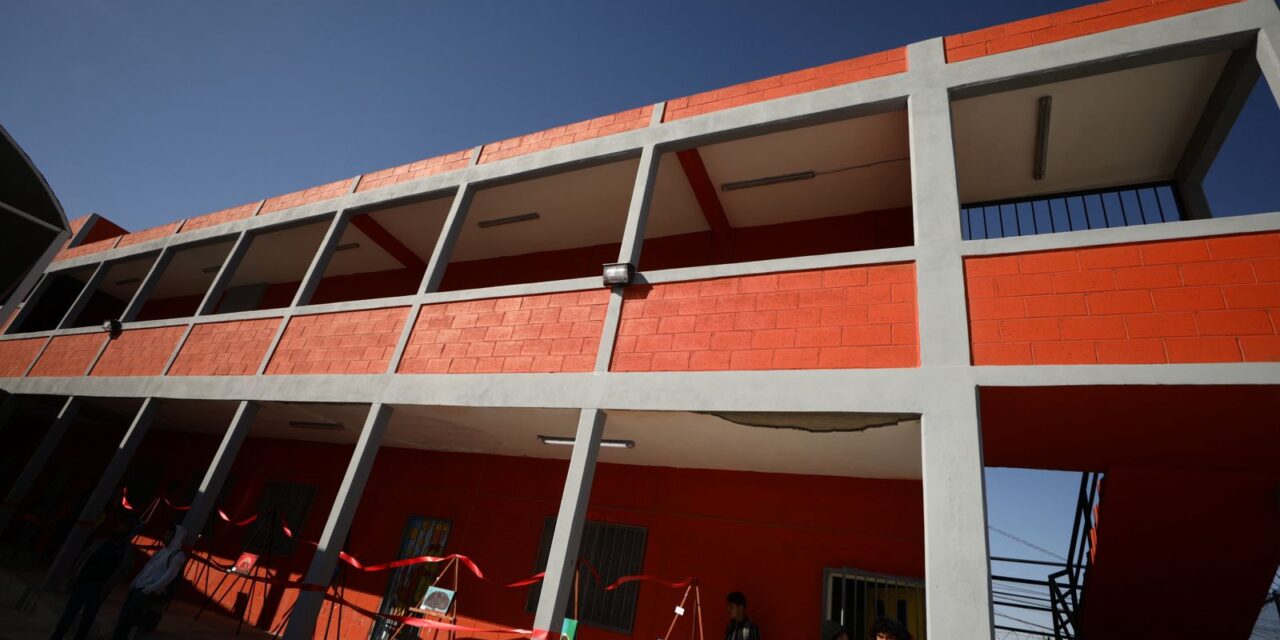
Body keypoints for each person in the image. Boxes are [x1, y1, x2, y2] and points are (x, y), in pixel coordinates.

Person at [50, 525, 133, 640]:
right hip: (83, 582)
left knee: (88, 617)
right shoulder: (100, 544)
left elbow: (124, 571)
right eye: (117, 529)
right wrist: (74, 576)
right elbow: (84, 558)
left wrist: (110, 584)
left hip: (98, 588)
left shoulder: (125, 552)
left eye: (121, 531)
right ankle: (57, 635)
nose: (117, 532)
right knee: (70, 612)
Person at [112, 525, 187, 640]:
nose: (164, 537)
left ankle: (151, 620)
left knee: (126, 619)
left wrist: (149, 589)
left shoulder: (178, 555)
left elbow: (169, 576)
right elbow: (147, 568)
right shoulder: (162, 551)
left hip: (146, 591)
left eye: (168, 535)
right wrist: (135, 583)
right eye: (165, 534)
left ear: (176, 537)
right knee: (123, 619)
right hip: (138, 588)